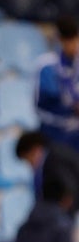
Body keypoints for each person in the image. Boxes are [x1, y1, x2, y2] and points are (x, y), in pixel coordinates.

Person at [33, 17, 79, 153]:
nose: (75, 45)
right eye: (71, 40)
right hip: (53, 132)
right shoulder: (46, 65)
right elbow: (40, 103)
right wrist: (71, 106)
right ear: (61, 40)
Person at [14, 130, 79, 206]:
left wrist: (64, 209)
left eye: (28, 159)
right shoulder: (55, 151)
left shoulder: (53, 159)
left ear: (34, 150)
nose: (30, 165)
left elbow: (69, 188)